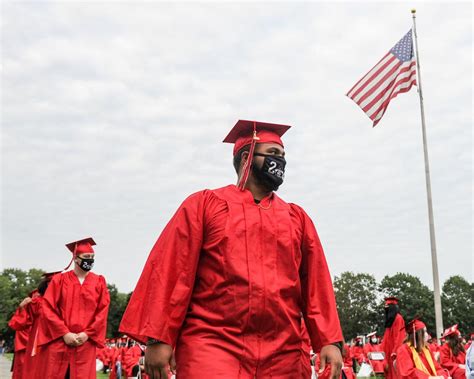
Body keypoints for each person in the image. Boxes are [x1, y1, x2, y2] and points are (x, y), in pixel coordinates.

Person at [120, 120, 344, 379]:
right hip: (213, 343)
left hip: (284, 350)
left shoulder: (296, 218)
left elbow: (316, 284)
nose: (280, 162)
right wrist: (158, 338)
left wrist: (329, 340)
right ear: (247, 157)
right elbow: (173, 270)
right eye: (272, 154)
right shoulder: (204, 205)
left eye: (283, 156)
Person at [33, 237, 110, 378]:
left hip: (85, 344)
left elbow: (102, 312)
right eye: (86, 257)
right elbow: (48, 308)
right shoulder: (59, 280)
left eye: (92, 257)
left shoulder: (99, 282)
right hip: (59, 342)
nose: (90, 260)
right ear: (75, 258)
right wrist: (64, 333)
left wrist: (87, 334)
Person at [382, 297, 406, 379]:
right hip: (388, 352)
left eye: (387, 306)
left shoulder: (398, 319)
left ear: (392, 307)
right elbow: (386, 338)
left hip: (394, 352)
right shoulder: (390, 320)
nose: (386, 309)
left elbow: (399, 337)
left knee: (395, 374)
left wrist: (395, 351)